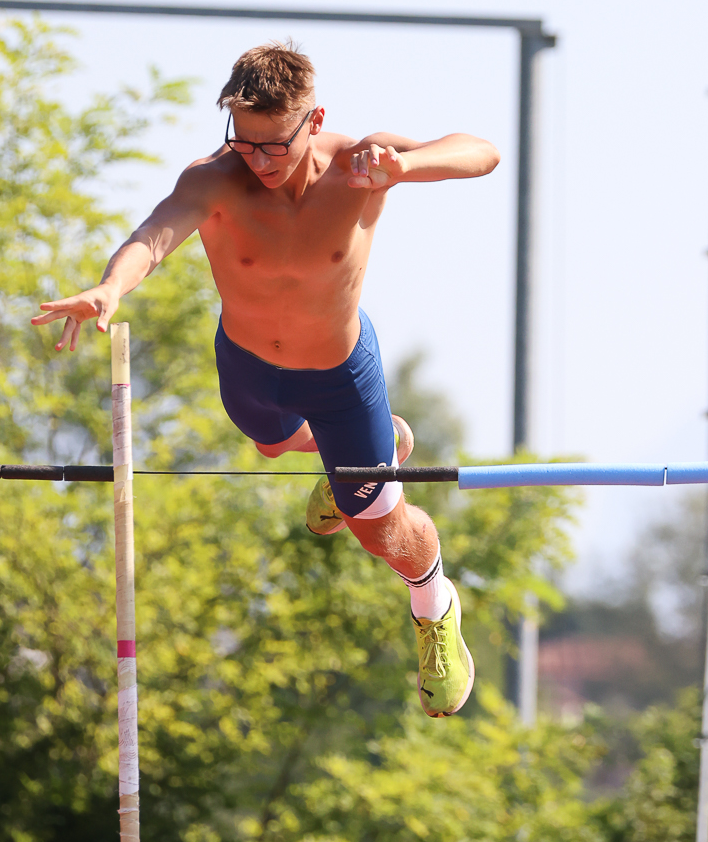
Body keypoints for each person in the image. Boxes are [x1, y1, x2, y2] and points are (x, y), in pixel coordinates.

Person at [31, 41, 499, 717]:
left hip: (338, 378)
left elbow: (482, 152)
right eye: (244, 142)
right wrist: (110, 288)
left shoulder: (361, 164)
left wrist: (406, 166)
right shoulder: (214, 179)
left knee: (378, 532)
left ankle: (435, 606)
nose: (258, 161)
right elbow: (155, 235)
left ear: (315, 120)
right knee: (274, 444)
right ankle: (367, 453)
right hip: (249, 369)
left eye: (274, 146)